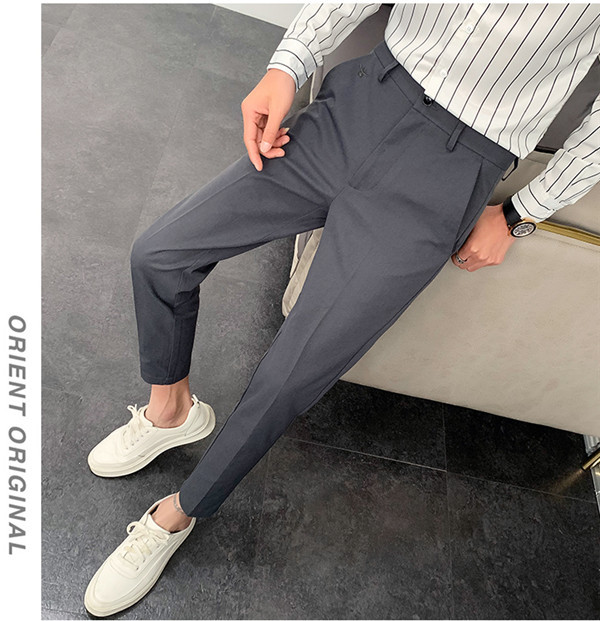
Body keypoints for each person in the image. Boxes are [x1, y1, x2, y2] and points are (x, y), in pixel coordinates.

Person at [83, 3, 600, 617]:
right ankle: (171, 412)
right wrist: (287, 63)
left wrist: (522, 212)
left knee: (291, 375)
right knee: (160, 255)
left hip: (455, 164)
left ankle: (178, 514)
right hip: (366, 95)